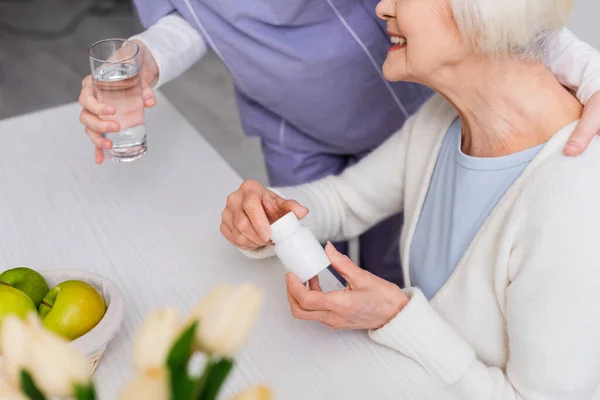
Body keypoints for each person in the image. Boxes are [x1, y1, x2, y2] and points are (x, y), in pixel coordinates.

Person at [220, 0, 600, 397]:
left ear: (481, 17)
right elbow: (344, 201)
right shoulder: (444, 120)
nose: (382, 7)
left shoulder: (575, 201)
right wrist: (267, 214)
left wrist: (396, 318)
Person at [79, 0, 600, 287]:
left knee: (400, 264)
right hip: (289, 121)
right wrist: (147, 56)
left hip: (395, 109)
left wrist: (591, 73)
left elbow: (487, 15)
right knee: (304, 255)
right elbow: (202, 17)